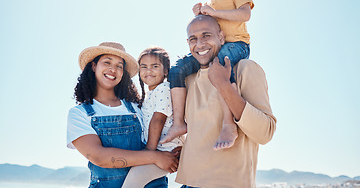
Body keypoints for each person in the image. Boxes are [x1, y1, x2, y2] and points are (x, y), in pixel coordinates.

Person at [163, 0, 254, 151]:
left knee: (219, 63)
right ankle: (179, 122)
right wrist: (199, 15)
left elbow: (245, 14)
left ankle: (229, 124)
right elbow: (206, 29)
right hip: (213, 48)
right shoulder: (209, 3)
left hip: (236, 44)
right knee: (177, 69)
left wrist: (214, 12)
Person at [174, 15, 277, 188]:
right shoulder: (188, 80)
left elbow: (265, 133)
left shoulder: (245, 69)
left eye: (206, 35)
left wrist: (224, 85)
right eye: (193, 39)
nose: (199, 44)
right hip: (188, 182)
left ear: (221, 37)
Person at [66, 42, 179, 188]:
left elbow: (165, 127)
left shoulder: (137, 107)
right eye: (107, 62)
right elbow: (100, 157)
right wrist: (155, 157)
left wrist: (179, 149)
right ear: (94, 66)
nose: (113, 69)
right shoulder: (79, 114)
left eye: (119, 66)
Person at [122, 46, 184, 188]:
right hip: (159, 149)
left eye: (154, 66)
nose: (148, 70)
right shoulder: (151, 94)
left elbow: (158, 119)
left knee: (134, 181)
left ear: (166, 70)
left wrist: (149, 151)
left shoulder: (163, 88)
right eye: (144, 67)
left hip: (165, 151)